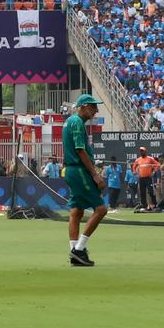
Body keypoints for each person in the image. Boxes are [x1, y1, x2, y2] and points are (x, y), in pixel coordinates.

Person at [63, 95, 108, 267]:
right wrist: (95, 175)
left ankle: (75, 252)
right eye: (92, 107)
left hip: (72, 170)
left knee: (77, 211)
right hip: (79, 170)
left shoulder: (71, 121)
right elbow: (80, 150)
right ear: (83, 106)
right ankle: (79, 249)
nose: (95, 110)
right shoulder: (77, 122)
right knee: (101, 209)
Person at [131, 147, 160, 211]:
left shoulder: (150, 158)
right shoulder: (138, 160)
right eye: (140, 151)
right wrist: (134, 171)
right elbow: (134, 166)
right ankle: (144, 205)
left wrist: (154, 171)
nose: (141, 152)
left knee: (151, 192)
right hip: (141, 178)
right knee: (142, 193)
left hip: (148, 178)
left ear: (145, 151)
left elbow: (158, 164)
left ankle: (155, 204)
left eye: (142, 151)